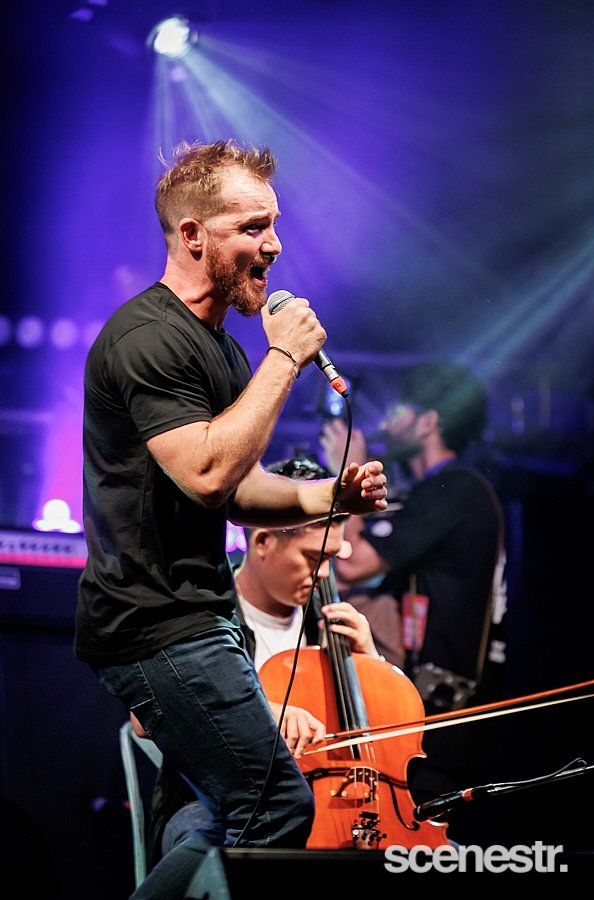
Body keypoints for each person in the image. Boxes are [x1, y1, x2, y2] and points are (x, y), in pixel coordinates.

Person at [74, 138, 387, 898]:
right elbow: (208, 472)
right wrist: (285, 358)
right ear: (192, 235)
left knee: (224, 816)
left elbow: (237, 488)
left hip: (199, 618)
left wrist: (330, 497)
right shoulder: (149, 338)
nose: (273, 244)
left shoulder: (220, 351)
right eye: (251, 227)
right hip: (154, 622)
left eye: (274, 224)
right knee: (276, 804)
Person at [147, 455, 383, 868]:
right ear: (263, 542)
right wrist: (261, 713)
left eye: (331, 558)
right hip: (216, 802)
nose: (324, 575)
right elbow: (144, 716)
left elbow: (383, 734)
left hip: (326, 796)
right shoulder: (206, 614)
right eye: (313, 557)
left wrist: (369, 663)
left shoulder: (329, 624)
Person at [320, 359, 506, 843]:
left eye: (400, 410)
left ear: (428, 422)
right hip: (434, 715)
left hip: (447, 719)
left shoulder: (455, 487)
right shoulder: (438, 493)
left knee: (420, 849)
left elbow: (351, 562)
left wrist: (348, 472)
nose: (387, 423)